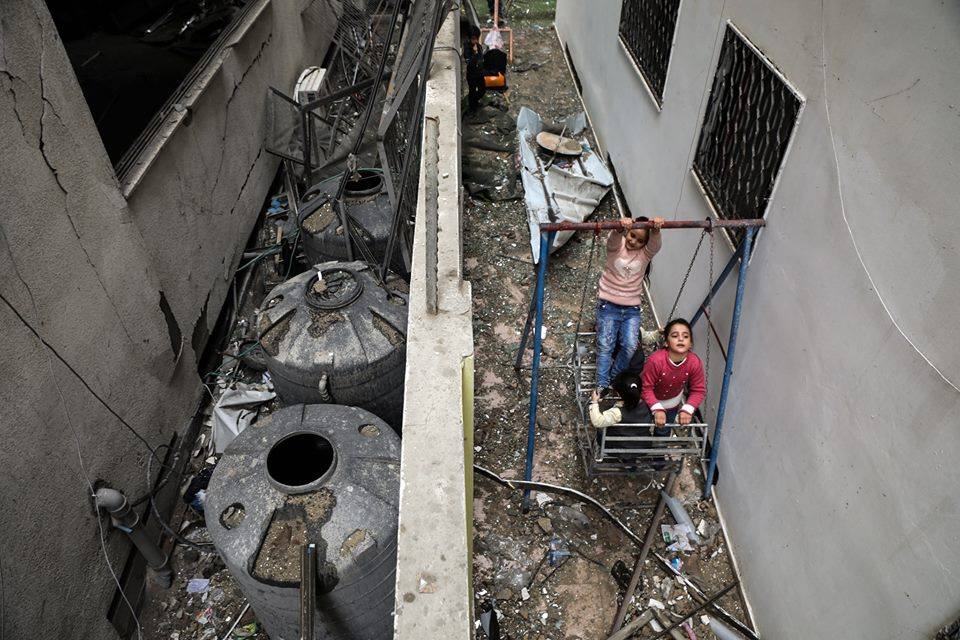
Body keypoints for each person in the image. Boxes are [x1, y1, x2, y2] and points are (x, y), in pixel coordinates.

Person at [595, 215, 663, 393]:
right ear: (628, 232)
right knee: (605, 345)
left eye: (640, 240)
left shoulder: (644, 255)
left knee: (631, 345)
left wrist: (656, 229)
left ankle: (613, 377)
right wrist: (619, 227)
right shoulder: (616, 248)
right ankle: (602, 384)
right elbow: (613, 239)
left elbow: (655, 245)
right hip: (608, 305)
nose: (634, 242)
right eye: (632, 235)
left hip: (631, 309)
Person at [640, 318, 706, 433]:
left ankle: (659, 447)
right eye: (675, 336)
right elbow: (646, 387)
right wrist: (656, 408)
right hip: (647, 399)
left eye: (685, 336)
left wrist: (687, 409)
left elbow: (698, 390)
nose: (681, 339)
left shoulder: (694, 362)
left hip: (672, 401)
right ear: (666, 342)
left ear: (690, 343)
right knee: (641, 426)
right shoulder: (656, 361)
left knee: (663, 430)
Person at [465, 25, 486, 112]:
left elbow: (481, 58)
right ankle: (472, 108)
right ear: (470, 38)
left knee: (482, 90)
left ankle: (474, 101)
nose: (475, 41)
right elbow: (469, 63)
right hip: (472, 75)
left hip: (480, 73)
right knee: (472, 91)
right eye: (473, 39)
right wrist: (475, 53)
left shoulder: (478, 46)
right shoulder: (467, 48)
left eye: (476, 39)